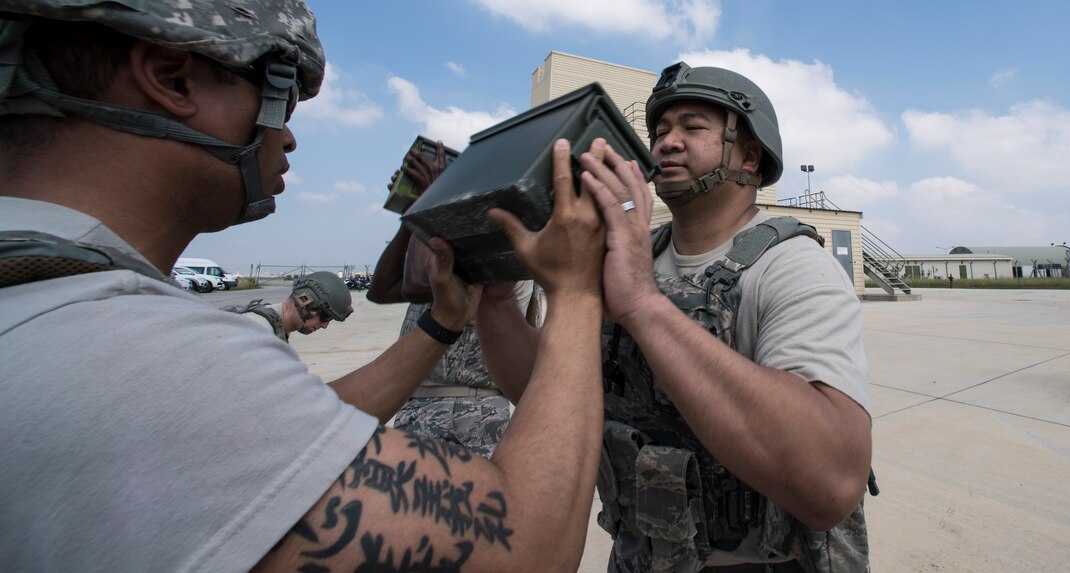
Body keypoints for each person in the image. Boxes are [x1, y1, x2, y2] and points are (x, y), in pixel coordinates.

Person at [0, 2, 623, 570]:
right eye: (280, 97)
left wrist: (439, 326)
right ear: (172, 78)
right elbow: (528, 550)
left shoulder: (60, 312)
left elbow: (309, 430)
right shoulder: (138, 357)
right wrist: (576, 289)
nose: (289, 135)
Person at [476, 62, 874, 572]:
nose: (666, 142)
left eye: (693, 127)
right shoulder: (626, 255)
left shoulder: (792, 265)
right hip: (638, 557)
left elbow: (832, 482)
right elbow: (541, 388)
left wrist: (643, 303)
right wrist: (494, 300)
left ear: (749, 155)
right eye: (660, 131)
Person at [368, 145, 533, 458]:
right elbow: (382, 289)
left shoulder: (497, 246)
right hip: (417, 401)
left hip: (470, 409)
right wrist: (412, 216)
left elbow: (417, 286)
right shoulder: (442, 242)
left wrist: (430, 203)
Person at [222, 270, 354, 341]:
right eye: (325, 316)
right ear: (304, 302)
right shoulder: (258, 332)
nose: (325, 325)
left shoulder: (277, 328)